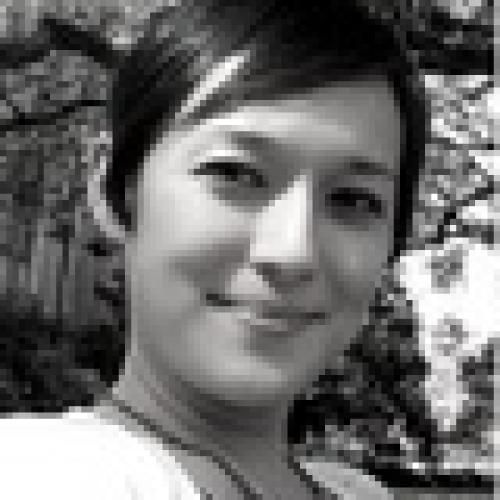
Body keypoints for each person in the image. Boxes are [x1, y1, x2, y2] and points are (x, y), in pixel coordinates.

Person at [0, 1, 427, 498]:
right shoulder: (47, 473)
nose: (293, 252)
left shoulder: (358, 492)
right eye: (233, 173)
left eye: (354, 200)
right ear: (115, 193)